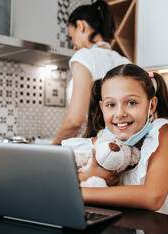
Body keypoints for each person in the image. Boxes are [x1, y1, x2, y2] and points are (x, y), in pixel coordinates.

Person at [65, 64, 168, 234]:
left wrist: (78, 194)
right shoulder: (100, 146)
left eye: (131, 103)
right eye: (110, 104)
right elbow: (54, 186)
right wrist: (89, 175)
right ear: (101, 107)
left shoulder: (162, 130)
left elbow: (152, 196)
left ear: (151, 105)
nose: (119, 113)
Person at [51, 0, 130, 145]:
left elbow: (75, 120)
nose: (73, 46)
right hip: (121, 150)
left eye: (71, 37)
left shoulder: (84, 57)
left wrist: (53, 146)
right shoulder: (126, 62)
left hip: (91, 149)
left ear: (80, 26)